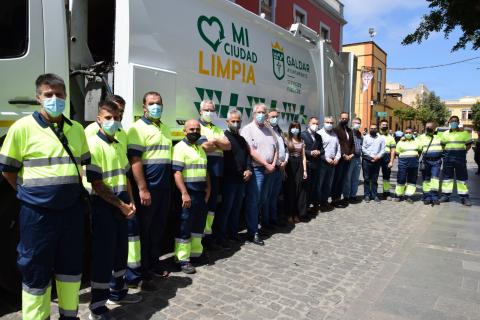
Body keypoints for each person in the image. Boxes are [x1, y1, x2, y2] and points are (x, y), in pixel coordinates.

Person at [0, 74, 90, 320]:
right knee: (35, 270)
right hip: (37, 215)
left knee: (70, 268)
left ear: (65, 97)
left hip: (71, 212)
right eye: (48, 94)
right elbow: (8, 170)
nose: (54, 99)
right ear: (38, 98)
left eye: (59, 94)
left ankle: (69, 315)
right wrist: (27, 193)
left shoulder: (77, 130)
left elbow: (81, 166)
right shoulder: (22, 128)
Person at [86, 100, 142, 319]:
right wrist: (121, 206)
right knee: (103, 257)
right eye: (108, 118)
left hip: (122, 204)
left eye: (117, 118)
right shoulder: (93, 144)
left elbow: (125, 174)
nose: (113, 121)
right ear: (99, 119)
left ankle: (118, 293)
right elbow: (97, 184)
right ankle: (97, 308)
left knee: (121, 252)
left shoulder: (118, 142)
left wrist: (131, 201)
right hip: (104, 206)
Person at [127, 91, 172, 282]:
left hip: (164, 188)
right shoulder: (136, 129)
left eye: (159, 103)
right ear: (144, 107)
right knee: (145, 230)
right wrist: (143, 189)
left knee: (159, 228)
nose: (156, 106)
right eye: (152, 103)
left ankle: (155, 262)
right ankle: (143, 268)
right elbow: (135, 160)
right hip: (149, 189)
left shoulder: (165, 128)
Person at [172, 120, 211, 274]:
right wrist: (184, 193)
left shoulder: (200, 148)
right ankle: (182, 259)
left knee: (198, 225)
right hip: (187, 194)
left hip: (200, 193)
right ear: (184, 131)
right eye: (191, 129)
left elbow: (205, 170)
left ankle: (195, 254)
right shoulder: (179, 148)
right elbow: (177, 172)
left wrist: (209, 187)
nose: (195, 131)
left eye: (197, 129)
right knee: (184, 226)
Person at [241, 103, 277, 245]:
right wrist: (266, 164)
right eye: (259, 112)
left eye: (264, 112)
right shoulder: (248, 129)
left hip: (269, 170)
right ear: (253, 114)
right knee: (253, 202)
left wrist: (273, 164)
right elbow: (251, 151)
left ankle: (256, 226)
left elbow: (276, 147)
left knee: (263, 199)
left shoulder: (269, 129)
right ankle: (252, 232)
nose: (261, 114)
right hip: (257, 170)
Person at [198, 100, 231, 248]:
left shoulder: (217, 129)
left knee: (212, 207)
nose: (209, 113)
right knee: (202, 207)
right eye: (206, 110)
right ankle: (199, 239)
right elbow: (204, 147)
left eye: (212, 110)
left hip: (216, 173)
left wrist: (215, 141)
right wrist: (219, 143)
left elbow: (228, 145)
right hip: (203, 173)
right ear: (200, 111)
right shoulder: (196, 127)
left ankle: (208, 236)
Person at [220, 109, 252, 244]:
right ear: (227, 122)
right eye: (233, 121)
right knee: (226, 209)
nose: (236, 123)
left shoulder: (242, 139)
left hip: (241, 180)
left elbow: (247, 156)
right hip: (229, 180)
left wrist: (249, 170)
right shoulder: (224, 137)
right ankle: (221, 237)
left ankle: (233, 234)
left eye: (238, 121)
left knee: (236, 209)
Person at [440, 116, 473, 206]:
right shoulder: (445, 133)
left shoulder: (464, 133)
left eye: (455, 121)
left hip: (460, 158)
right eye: (452, 121)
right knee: (447, 178)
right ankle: (445, 196)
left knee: (462, 178)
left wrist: (463, 152)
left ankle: (464, 198)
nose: (453, 123)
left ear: (458, 122)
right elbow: (442, 145)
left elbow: (469, 145)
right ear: (449, 123)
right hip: (448, 158)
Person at [264, 109, 288, 226]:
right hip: (272, 168)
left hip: (280, 167)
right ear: (267, 118)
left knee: (275, 195)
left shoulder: (279, 130)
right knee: (267, 196)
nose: (275, 119)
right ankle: (266, 220)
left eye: (277, 116)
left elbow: (285, 147)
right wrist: (276, 162)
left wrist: (285, 160)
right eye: (273, 116)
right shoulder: (266, 130)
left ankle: (273, 218)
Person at [284, 122, 308, 223]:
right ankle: (289, 214)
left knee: (299, 190)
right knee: (290, 190)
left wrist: (305, 170)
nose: (295, 129)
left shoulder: (302, 140)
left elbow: (303, 157)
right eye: (293, 127)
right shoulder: (287, 140)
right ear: (290, 129)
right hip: (289, 165)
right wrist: (284, 170)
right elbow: (285, 155)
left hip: (299, 165)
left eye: (297, 127)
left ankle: (297, 213)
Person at [317, 116, 341, 211]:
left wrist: (337, 157)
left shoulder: (335, 135)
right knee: (320, 184)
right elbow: (318, 149)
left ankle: (325, 201)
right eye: (328, 122)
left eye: (331, 123)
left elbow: (338, 147)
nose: (329, 124)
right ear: (324, 122)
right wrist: (326, 158)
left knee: (328, 184)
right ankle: (317, 203)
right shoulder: (319, 134)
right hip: (322, 162)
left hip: (333, 163)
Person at [301, 117, 324, 213]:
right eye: (313, 123)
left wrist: (319, 151)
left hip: (316, 164)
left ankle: (313, 205)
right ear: (309, 123)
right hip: (307, 164)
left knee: (315, 186)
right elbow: (300, 149)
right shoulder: (302, 135)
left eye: (317, 124)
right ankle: (305, 207)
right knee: (306, 187)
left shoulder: (318, 136)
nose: (315, 125)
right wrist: (310, 152)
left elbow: (323, 149)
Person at [331, 112, 354, 208]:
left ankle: (339, 198)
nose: (344, 120)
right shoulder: (336, 130)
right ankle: (334, 199)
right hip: (340, 158)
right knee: (337, 179)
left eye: (346, 118)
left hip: (348, 159)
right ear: (340, 118)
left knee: (343, 179)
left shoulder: (349, 130)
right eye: (343, 118)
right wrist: (343, 154)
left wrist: (352, 154)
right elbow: (338, 144)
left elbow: (352, 144)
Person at [418, 122, 443, 206]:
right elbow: (416, 147)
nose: (428, 128)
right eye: (427, 127)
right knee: (426, 179)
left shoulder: (440, 136)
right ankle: (427, 197)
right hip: (426, 161)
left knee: (435, 179)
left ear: (434, 128)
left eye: (430, 127)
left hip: (437, 161)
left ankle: (434, 197)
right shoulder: (421, 137)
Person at [394, 128, 422, 203]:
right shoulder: (400, 142)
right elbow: (397, 152)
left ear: (412, 133)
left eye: (410, 132)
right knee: (401, 179)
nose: (408, 134)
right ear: (404, 133)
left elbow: (420, 150)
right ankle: (398, 195)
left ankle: (409, 196)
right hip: (403, 163)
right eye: (406, 132)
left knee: (412, 180)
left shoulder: (417, 141)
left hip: (414, 163)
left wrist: (415, 157)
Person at [361, 124, 385, 202]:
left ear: (377, 129)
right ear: (369, 129)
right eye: (371, 128)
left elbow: (383, 149)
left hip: (377, 160)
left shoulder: (381, 138)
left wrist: (378, 157)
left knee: (375, 179)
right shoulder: (365, 137)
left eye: (375, 128)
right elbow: (363, 148)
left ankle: (374, 195)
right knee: (367, 179)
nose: (373, 130)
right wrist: (371, 157)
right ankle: (367, 195)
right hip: (367, 160)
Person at [343, 117, 363, 203]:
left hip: (358, 158)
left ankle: (353, 195)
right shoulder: (348, 132)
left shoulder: (359, 134)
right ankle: (346, 196)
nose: (357, 124)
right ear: (352, 123)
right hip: (350, 158)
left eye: (358, 123)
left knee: (355, 178)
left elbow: (360, 146)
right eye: (355, 122)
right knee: (348, 178)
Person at [379, 120, 396, 200]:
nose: (384, 126)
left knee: (386, 176)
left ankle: (386, 193)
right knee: (374, 176)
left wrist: (391, 161)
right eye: (383, 124)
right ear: (380, 126)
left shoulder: (391, 137)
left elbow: (393, 150)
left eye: (386, 124)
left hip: (386, 157)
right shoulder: (376, 135)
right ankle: (373, 193)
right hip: (377, 156)